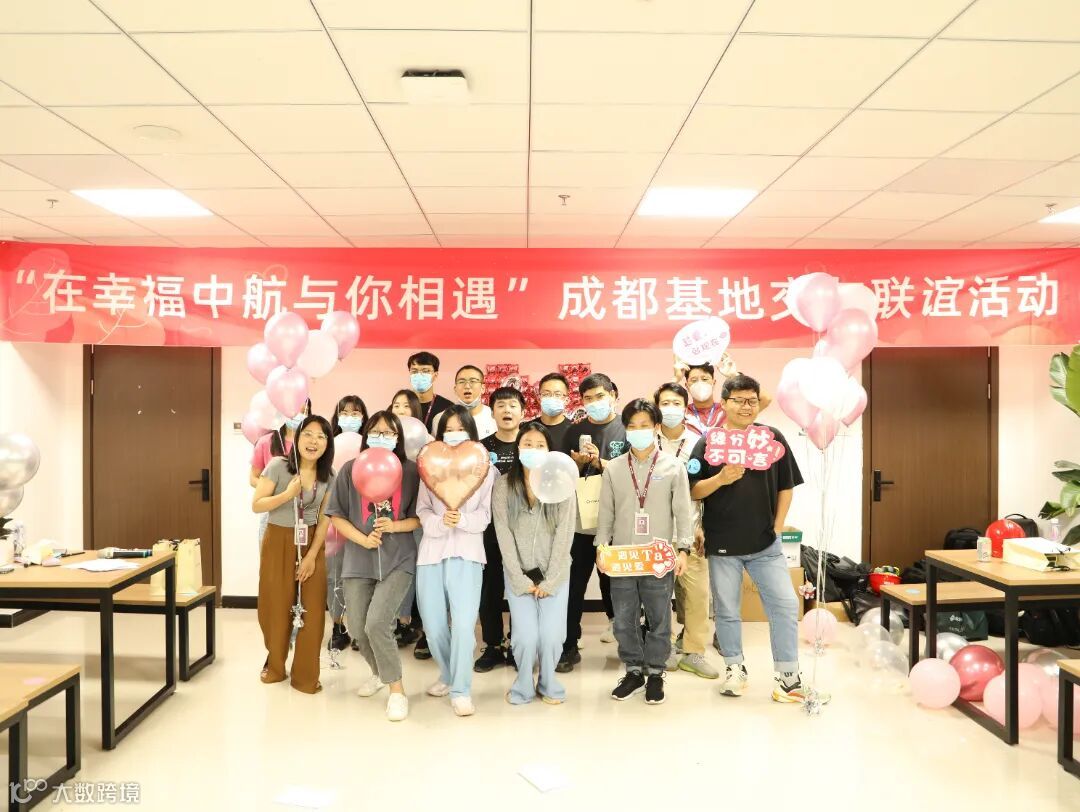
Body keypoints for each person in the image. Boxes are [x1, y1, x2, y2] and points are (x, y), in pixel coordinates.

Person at [687, 374, 809, 703]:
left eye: (752, 400)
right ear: (724, 404)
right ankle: (734, 670)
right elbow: (692, 490)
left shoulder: (772, 437)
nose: (746, 406)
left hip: (765, 544)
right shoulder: (708, 442)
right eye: (738, 400)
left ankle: (788, 678)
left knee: (784, 605)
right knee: (727, 611)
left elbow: (786, 486)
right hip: (722, 544)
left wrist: (778, 528)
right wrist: (721, 479)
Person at [595, 400, 693, 705]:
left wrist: (683, 549)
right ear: (626, 429)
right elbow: (606, 512)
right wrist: (601, 546)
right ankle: (634, 670)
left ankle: (656, 673)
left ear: (656, 428)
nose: (638, 431)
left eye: (645, 426)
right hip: (622, 558)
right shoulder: (614, 468)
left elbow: (682, 512)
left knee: (659, 618)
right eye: (632, 426)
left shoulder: (673, 467)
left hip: (658, 557)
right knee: (623, 619)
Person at [327, 411, 421, 722]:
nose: (382, 437)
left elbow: (420, 518)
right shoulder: (350, 469)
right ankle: (379, 673)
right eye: (376, 432)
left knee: (378, 623)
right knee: (357, 627)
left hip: (399, 559)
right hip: (358, 559)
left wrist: (394, 526)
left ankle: (397, 691)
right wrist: (363, 539)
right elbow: (336, 514)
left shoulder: (411, 471)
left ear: (398, 438)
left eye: (389, 432)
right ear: (366, 436)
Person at [415, 405, 497, 717]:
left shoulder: (486, 469)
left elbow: (486, 515)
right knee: (434, 626)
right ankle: (448, 675)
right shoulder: (427, 468)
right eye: (448, 430)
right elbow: (422, 510)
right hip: (431, 554)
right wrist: (439, 523)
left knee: (463, 626)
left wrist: (461, 519)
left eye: (460, 429)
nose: (454, 434)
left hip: (468, 553)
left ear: (471, 433)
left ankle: (461, 690)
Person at [492, 423, 576, 705]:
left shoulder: (563, 483)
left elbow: (565, 533)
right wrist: (518, 578)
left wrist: (551, 580)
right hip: (519, 576)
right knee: (525, 638)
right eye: (527, 444)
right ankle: (523, 685)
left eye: (540, 445)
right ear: (518, 448)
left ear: (550, 450)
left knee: (552, 637)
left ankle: (549, 684)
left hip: (555, 573)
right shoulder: (504, 485)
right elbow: (503, 533)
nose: (533, 449)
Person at [252, 415, 334, 694]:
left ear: (328, 443)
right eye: (308, 434)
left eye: (321, 436)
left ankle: (306, 676)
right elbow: (257, 504)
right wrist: (288, 494)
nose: (314, 441)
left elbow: (324, 519)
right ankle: (275, 666)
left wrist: (311, 556)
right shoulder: (278, 466)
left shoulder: (329, 476)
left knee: (313, 611)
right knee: (275, 606)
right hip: (278, 538)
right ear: (297, 438)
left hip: (311, 542)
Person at [558, 373, 626, 672]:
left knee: (617, 586)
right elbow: (560, 476)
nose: (594, 403)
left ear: (613, 395)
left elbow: (633, 472)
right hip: (581, 522)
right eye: (588, 399)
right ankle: (568, 646)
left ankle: (628, 644)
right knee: (574, 585)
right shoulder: (574, 431)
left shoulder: (627, 427)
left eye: (600, 396)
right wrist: (576, 464)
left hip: (619, 522)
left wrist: (600, 462)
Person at [654, 382, 719, 680]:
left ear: (685, 407)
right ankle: (664, 647)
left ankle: (694, 652)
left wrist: (703, 524)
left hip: (690, 531)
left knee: (697, 595)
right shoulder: (645, 441)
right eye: (664, 403)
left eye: (676, 403)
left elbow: (704, 488)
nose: (670, 408)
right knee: (657, 595)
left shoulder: (699, 442)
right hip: (654, 533)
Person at [475, 386, 525, 673]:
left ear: (523, 412)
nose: (507, 410)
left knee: (520, 587)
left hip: (523, 531)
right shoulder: (480, 449)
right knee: (490, 589)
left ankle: (518, 644)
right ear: (492, 413)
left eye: (513, 405)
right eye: (501, 406)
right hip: (489, 530)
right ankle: (492, 645)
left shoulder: (532, 443)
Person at [327, 396, 368, 653]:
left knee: (361, 576)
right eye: (344, 412)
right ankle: (338, 627)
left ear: (364, 418)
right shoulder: (327, 444)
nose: (350, 417)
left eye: (355, 413)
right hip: (334, 519)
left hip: (363, 519)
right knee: (334, 574)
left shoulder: (369, 447)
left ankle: (360, 629)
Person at [389, 388, 425, 649]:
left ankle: (415, 622)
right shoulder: (385, 442)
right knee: (395, 567)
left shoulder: (427, 440)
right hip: (393, 514)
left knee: (417, 569)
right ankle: (397, 621)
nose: (401, 411)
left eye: (406, 406)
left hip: (421, 514)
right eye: (396, 405)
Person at [250, 399, 312, 547]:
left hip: (304, 511)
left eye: (304, 411)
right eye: (294, 410)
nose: (299, 415)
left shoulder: (312, 444)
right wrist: (280, 491)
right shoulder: (266, 442)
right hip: (273, 510)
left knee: (300, 557)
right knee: (272, 557)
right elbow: (253, 478)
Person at [433, 365, 497, 439]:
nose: (467, 386)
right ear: (455, 389)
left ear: (483, 388)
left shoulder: (495, 417)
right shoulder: (440, 418)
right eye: (461, 382)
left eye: (473, 381)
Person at [523, 372, 573, 452]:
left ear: (567, 400)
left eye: (557, 394)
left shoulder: (575, 430)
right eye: (546, 394)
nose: (552, 398)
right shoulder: (527, 428)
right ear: (539, 399)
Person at [408, 351, 454, 432]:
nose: (419, 375)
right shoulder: (399, 406)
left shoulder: (448, 408)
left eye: (425, 371)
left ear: (435, 375)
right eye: (414, 371)